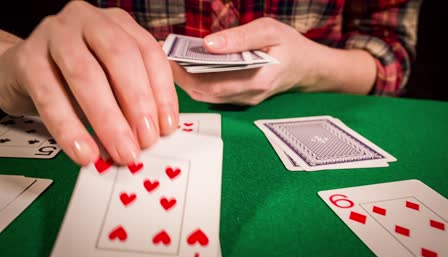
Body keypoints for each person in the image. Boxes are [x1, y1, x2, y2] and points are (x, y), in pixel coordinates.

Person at [0, 0, 421, 166]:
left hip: (309, 113)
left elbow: (391, 54)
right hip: (98, 114)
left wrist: (309, 68)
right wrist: (10, 64)